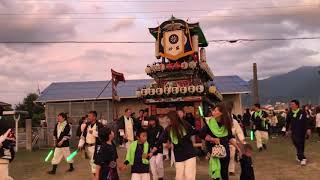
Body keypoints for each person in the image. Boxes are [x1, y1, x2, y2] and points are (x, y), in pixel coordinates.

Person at [199, 103, 241, 180]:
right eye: (213, 111)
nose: (213, 112)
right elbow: (201, 134)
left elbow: (230, 137)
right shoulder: (209, 123)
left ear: (221, 113)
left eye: (215, 111)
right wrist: (212, 139)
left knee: (224, 173)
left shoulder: (226, 124)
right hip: (214, 152)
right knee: (216, 172)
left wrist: (238, 148)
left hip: (225, 151)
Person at [161, 110, 197, 180]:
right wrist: (167, 144)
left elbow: (194, 131)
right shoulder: (168, 129)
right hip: (178, 155)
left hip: (189, 154)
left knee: (189, 176)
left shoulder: (184, 124)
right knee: (179, 177)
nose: (167, 120)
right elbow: (162, 139)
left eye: (168, 118)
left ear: (173, 118)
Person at [286, 100, 312, 166]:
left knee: (301, 144)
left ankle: (301, 157)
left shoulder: (302, 112)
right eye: (291, 104)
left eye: (293, 104)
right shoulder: (289, 113)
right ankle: (301, 157)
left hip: (302, 131)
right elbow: (287, 122)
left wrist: (308, 129)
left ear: (297, 105)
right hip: (294, 131)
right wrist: (286, 130)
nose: (291, 106)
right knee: (296, 143)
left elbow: (307, 121)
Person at [79, 111, 103, 176]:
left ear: (94, 117)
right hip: (88, 147)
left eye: (90, 116)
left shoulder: (99, 125)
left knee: (93, 161)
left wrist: (93, 132)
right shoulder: (87, 124)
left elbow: (102, 135)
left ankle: (96, 176)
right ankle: (98, 174)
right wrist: (80, 144)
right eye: (88, 116)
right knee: (92, 162)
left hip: (96, 146)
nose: (88, 117)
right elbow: (83, 135)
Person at [147, 115, 164, 180]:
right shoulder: (148, 129)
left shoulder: (160, 128)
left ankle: (160, 176)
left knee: (158, 163)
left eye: (152, 120)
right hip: (150, 149)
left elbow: (161, 139)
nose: (151, 122)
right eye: (150, 121)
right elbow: (147, 139)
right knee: (152, 166)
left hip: (159, 148)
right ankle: (155, 178)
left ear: (155, 121)